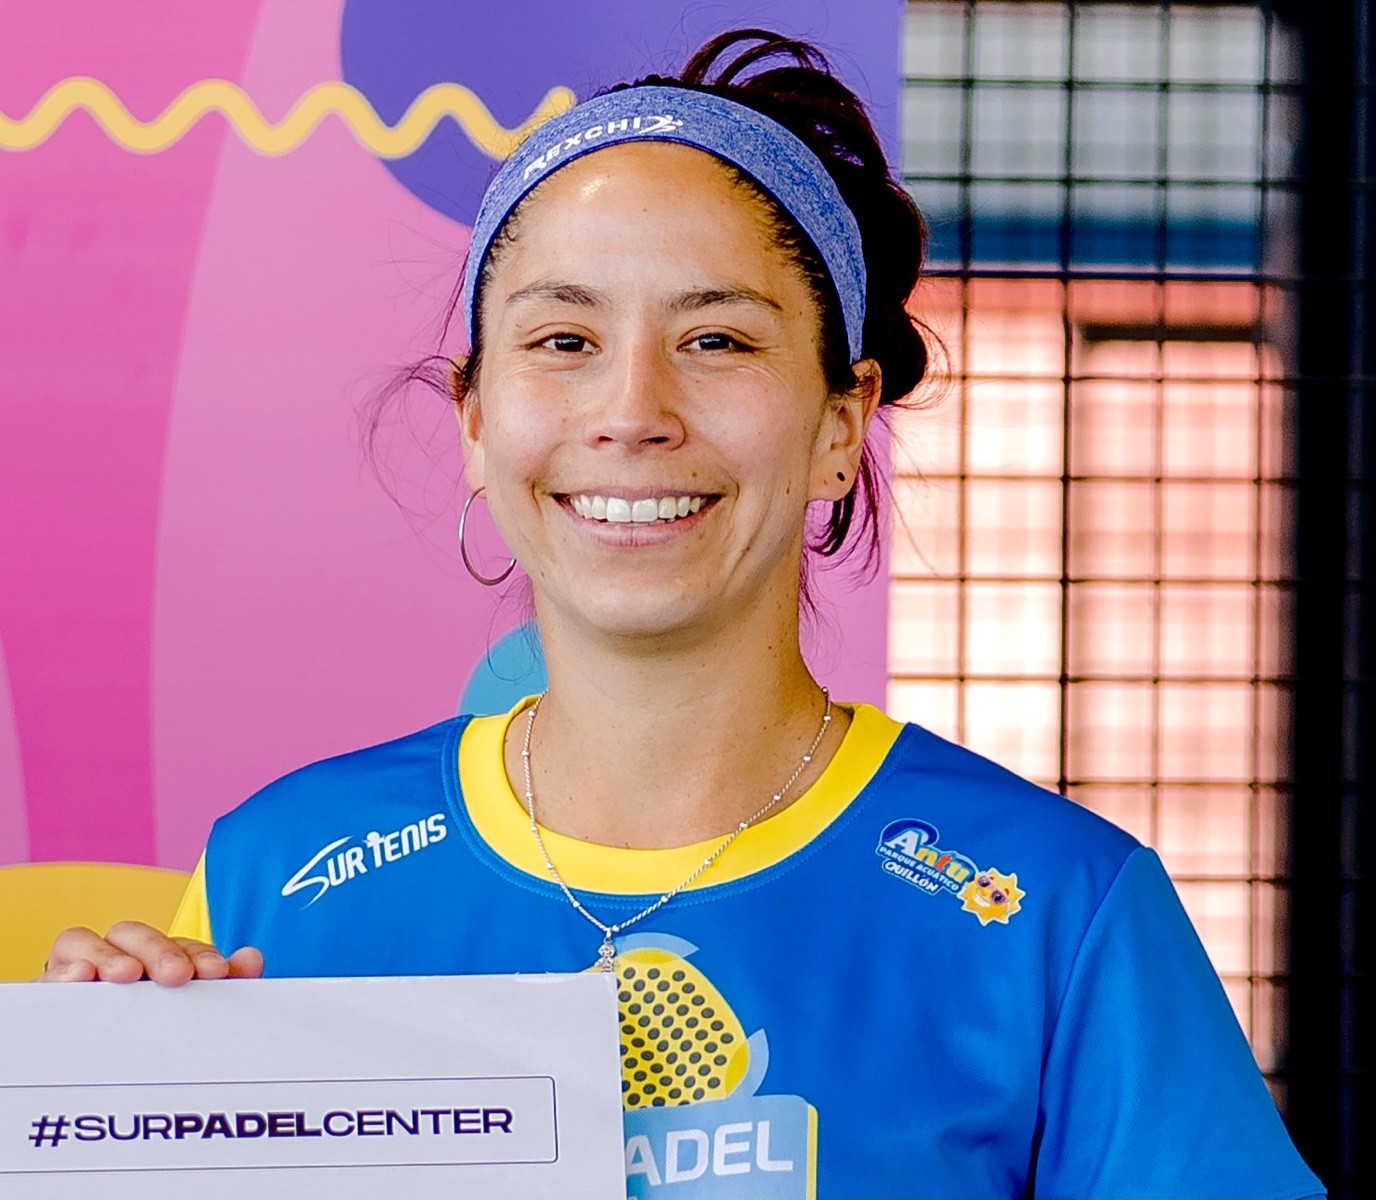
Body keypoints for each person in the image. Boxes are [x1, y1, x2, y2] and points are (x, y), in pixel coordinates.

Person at [42, 29, 1323, 1200]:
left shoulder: (1053, 913)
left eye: (716, 341)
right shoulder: (277, 880)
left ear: (840, 424)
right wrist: (92, 1124)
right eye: (562, 341)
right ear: (475, 421)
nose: (632, 411)